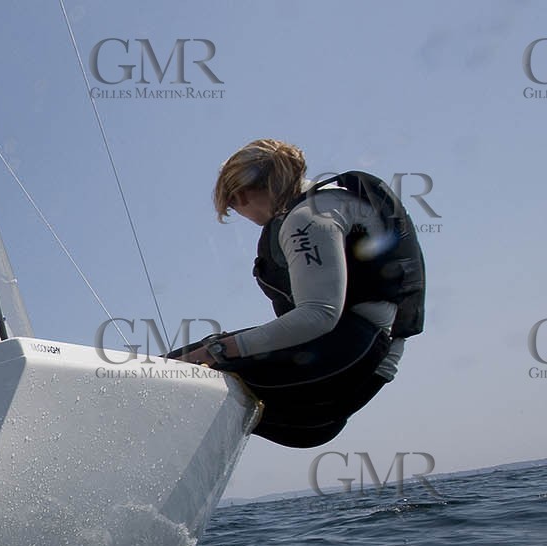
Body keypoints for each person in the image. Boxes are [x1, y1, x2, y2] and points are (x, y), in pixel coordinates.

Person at [169, 139, 426, 447]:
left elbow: (319, 315)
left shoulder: (307, 218)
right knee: (200, 382)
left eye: (234, 207)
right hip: (359, 375)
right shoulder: (338, 202)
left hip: (342, 360)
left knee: (173, 369)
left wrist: (217, 351)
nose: (242, 215)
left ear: (241, 194)